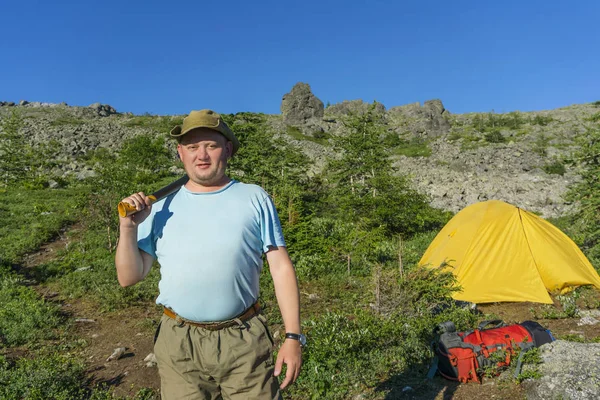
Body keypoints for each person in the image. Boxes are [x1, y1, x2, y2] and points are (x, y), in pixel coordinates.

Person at [115, 109, 304, 399]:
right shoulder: (159, 208)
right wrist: (127, 227)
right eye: (192, 147)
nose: (201, 155)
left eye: (211, 145)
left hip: (243, 340)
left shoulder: (254, 197)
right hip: (179, 343)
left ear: (227, 150)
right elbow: (128, 277)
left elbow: (280, 268)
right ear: (181, 153)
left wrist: (292, 337)